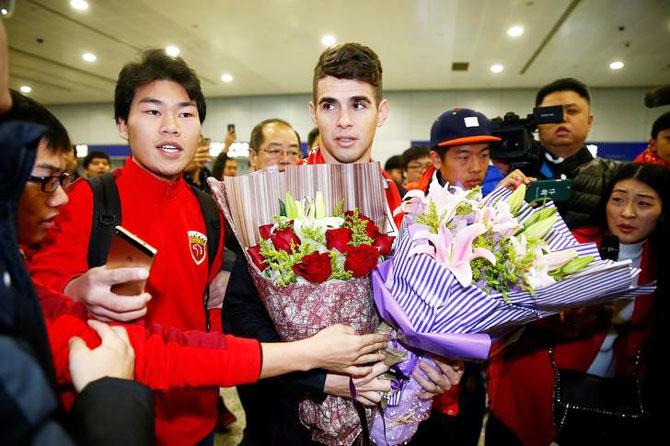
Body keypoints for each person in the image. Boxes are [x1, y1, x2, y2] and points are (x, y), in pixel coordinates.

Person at [24, 48, 387, 445]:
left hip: (199, 421)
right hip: (113, 420)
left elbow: (216, 314)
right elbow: (39, 315)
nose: (170, 127)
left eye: (185, 113)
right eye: (151, 112)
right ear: (121, 125)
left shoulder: (207, 211)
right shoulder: (83, 203)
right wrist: (74, 289)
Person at [224, 42, 463, 445]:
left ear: (381, 112)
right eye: (331, 106)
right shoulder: (273, 202)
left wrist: (439, 361)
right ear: (313, 112)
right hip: (290, 421)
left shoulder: (408, 210)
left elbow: (431, 315)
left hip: (386, 418)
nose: (344, 121)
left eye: (359, 104)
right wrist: (319, 374)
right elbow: (241, 314)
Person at [486, 163, 668, 445]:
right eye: (618, 200)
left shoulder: (658, 262)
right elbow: (518, 310)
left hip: (608, 398)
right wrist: (567, 318)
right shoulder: (567, 245)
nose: (627, 213)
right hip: (537, 387)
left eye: (643, 203)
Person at [534, 78, 620, 229]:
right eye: (552, 113)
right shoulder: (513, 173)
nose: (563, 119)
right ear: (537, 121)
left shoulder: (614, 175)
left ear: (589, 121)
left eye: (572, 111)